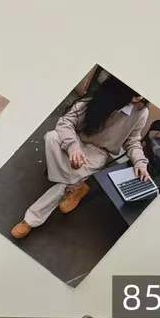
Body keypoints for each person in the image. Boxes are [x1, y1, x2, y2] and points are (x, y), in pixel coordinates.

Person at [11, 75, 151, 239]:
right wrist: (73, 147)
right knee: (52, 137)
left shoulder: (141, 112)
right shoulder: (99, 98)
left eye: (140, 97)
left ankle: (31, 219)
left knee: (64, 184)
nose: (138, 100)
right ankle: (76, 186)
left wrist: (140, 162)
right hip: (77, 140)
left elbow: (133, 141)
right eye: (132, 96)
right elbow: (65, 122)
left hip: (97, 153)